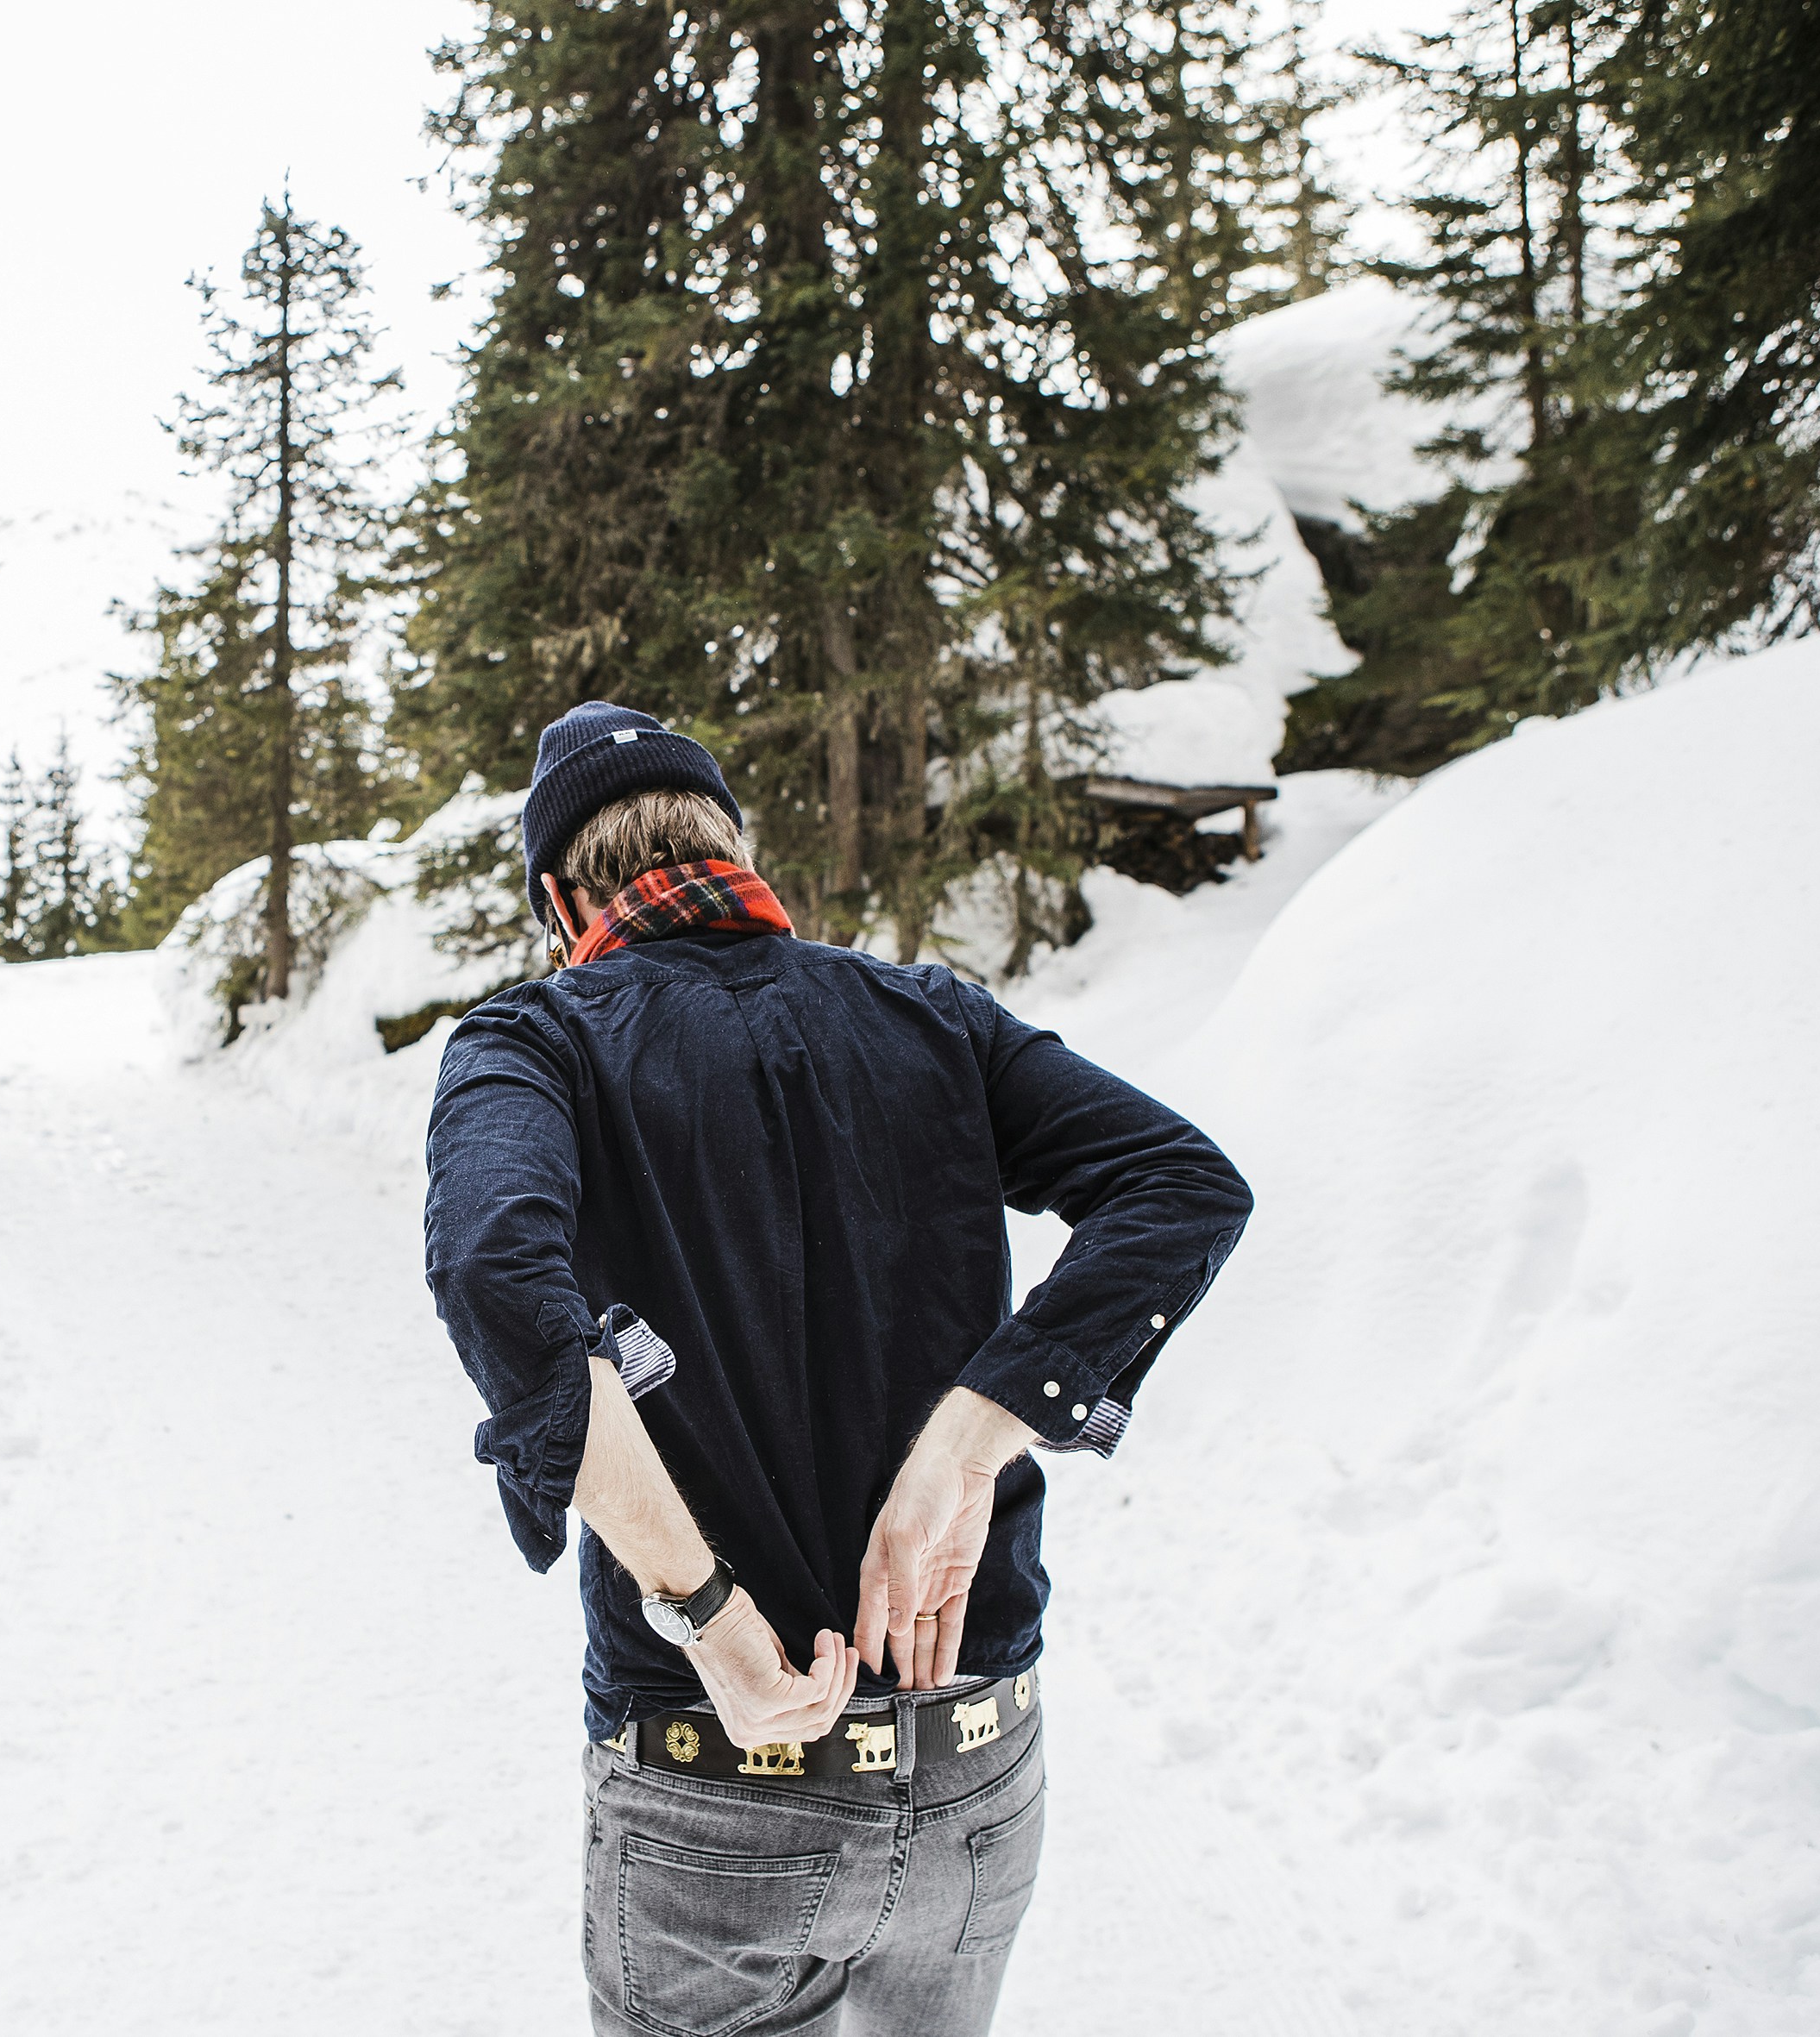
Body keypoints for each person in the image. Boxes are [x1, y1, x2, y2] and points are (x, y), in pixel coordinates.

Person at [423, 701, 1253, 2037]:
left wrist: (705, 1610)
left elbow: (493, 1274)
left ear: (556, 894)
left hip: (716, 1779)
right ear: (732, 849)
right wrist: (974, 1436)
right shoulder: (931, 1017)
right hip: (974, 1764)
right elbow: (1180, 1182)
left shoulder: (536, 1042)